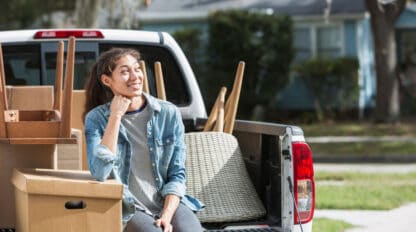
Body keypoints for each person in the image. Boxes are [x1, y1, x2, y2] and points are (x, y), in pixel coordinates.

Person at [83, 48, 204, 232]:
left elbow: (177, 174)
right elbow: (100, 172)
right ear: (107, 80)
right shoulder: (96, 119)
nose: (135, 76)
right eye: (124, 72)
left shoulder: (168, 113)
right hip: (129, 207)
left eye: (137, 69)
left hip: (168, 200)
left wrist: (166, 215)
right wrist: (115, 116)